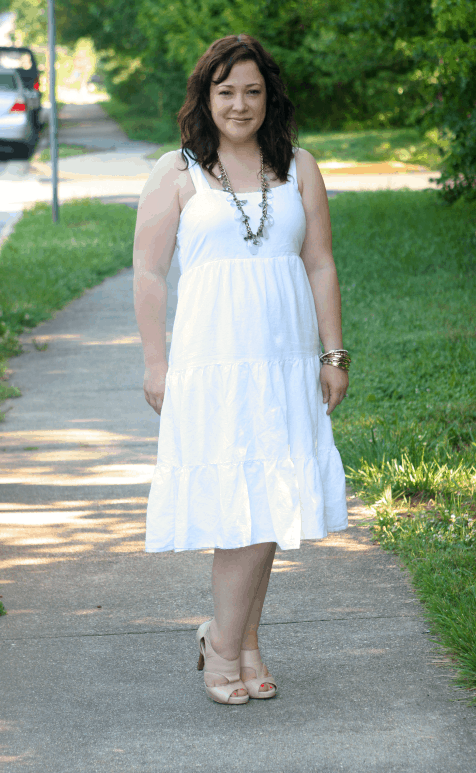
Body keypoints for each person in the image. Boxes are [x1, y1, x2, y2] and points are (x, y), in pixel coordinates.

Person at [133, 33, 350, 705]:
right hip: (213, 365)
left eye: (252, 90)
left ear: (269, 97)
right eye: (225, 90)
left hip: (284, 362)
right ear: (205, 95)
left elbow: (319, 262)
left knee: (273, 499)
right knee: (240, 510)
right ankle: (223, 644)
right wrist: (156, 363)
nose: (239, 103)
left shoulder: (300, 166)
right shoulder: (177, 172)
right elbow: (147, 270)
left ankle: (244, 643)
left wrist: (334, 352)